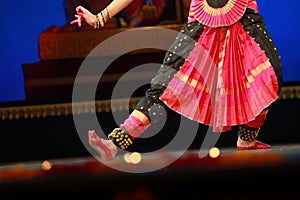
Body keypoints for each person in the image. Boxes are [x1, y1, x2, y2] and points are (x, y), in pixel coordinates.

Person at [70, 0, 283, 160]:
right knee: (163, 86)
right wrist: (99, 18)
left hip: (244, 18)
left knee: (271, 74)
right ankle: (115, 143)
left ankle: (247, 139)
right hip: (202, 23)